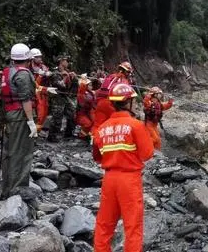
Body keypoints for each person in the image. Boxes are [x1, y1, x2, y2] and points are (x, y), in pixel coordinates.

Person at [92, 83, 154, 252]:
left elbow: (97, 156)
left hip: (109, 179)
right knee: (132, 226)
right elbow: (147, 154)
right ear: (128, 103)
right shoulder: (135, 125)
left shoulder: (102, 129)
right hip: (129, 179)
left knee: (104, 225)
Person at [0, 43, 38, 199]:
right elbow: (26, 100)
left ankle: (7, 187)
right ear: (28, 59)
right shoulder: (23, 74)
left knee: (9, 151)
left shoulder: (8, 71)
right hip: (20, 116)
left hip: (9, 115)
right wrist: (31, 122)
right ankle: (17, 190)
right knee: (21, 152)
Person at [92, 61, 133, 139]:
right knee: (113, 125)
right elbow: (124, 96)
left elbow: (101, 89)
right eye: (129, 72)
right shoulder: (124, 81)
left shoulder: (110, 76)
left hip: (100, 103)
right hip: (111, 104)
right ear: (127, 72)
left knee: (98, 124)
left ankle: (94, 141)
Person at [47, 56, 77, 142]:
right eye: (65, 61)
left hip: (66, 97)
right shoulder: (55, 73)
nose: (67, 62)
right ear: (61, 62)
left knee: (72, 113)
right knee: (57, 117)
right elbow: (60, 85)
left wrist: (73, 78)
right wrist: (65, 77)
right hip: (58, 97)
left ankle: (69, 134)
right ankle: (52, 137)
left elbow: (73, 86)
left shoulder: (68, 71)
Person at [30, 48, 51, 132]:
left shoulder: (43, 67)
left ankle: (36, 133)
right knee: (38, 114)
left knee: (43, 114)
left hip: (43, 93)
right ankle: (33, 134)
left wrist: (48, 74)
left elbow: (47, 77)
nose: (39, 58)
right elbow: (33, 83)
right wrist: (41, 75)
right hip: (34, 94)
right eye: (37, 57)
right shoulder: (29, 68)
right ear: (32, 58)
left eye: (40, 57)